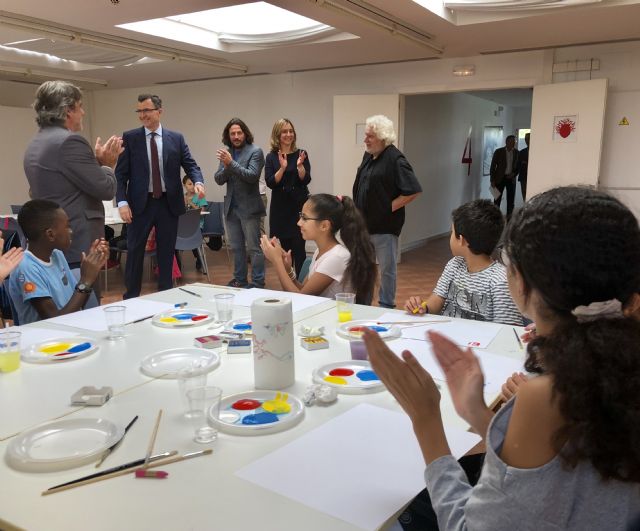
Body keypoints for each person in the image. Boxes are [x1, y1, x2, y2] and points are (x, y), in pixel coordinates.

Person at [364, 186, 640, 530]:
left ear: (522, 281)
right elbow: (556, 470)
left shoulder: (548, 396)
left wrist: (425, 417)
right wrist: (478, 413)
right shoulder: (616, 369)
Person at [24, 80, 122, 271]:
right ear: (68, 110)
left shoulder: (36, 143)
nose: (83, 113)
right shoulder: (70, 142)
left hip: (52, 243)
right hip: (76, 243)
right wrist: (108, 164)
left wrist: (96, 164)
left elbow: (67, 182)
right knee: (85, 297)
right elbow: (106, 189)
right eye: (80, 107)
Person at [116, 94, 205, 298]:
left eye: (146, 110)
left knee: (166, 253)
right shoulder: (130, 138)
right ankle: (131, 297)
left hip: (168, 203)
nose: (142, 115)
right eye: (139, 111)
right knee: (135, 251)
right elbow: (120, 175)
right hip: (140, 204)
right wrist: (121, 201)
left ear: (159, 111)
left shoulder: (176, 138)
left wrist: (198, 181)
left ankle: (164, 296)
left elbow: (190, 165)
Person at [404, 199, 523, 325]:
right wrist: (424, 307)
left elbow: (507, 331)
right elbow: (437, 300)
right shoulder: (454, 265)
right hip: (446, 336)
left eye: (452, 232)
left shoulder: (500, 281)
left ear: (461, 240)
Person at [353, 115, 422, 309]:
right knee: (364, 268)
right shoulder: (369, 155)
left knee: (386, 270)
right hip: (364, 225)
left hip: (384, 227)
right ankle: (362, 304)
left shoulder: (395, 159)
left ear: (383, 137)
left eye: (370, 136)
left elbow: (413, 190)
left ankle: (386, 305)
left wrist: (387, 208)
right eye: (366, 135)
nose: (365, 140)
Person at [260, 194, 376, 303]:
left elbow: (300, 299)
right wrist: (287, 269)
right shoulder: (320, 251)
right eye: (301, 216)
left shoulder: (337, 257)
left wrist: (277, 261)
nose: (299, 223)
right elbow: (303, 290)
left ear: (324, 225)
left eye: (305, 218)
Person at [8, 200, 107, 325]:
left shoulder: (57, 255)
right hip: (44, 339)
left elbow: (78, 302)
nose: (71, 231)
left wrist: (90, 274)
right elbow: (54, 320)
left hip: (70, 330)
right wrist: (85, 280)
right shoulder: (26, 266)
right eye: (67, 226)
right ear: (50, 234)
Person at [214, 118, 265, 288]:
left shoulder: (256, 151)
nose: (236, 136)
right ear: (228, 135)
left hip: (249, 208)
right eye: (232, 133)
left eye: (239, 133)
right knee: (236, 248)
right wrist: (227, 164)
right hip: (231, 208)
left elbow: (252, 176)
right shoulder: (226, 153)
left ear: (245, 133)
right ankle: (240, 279)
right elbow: (219, 179)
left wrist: (230, 163)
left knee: (254, 248)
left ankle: (258, 282)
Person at [265, 118, 311, 278]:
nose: (288, 134)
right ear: (278, 134)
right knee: (284, 252)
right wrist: (282, 168)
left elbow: (306, 179)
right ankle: (289, 286)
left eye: (291, 131)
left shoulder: (301, 153)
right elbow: (270, 182)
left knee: (299, 250)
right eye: (284, 131)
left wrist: (299, 167)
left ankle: (303, 286)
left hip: (299, 207)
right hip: (280, 209)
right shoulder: (271, 157)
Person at [489, 134, 519, 218]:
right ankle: (495, 218)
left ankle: (509, 219)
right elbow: (492, 166)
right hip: (499, 179)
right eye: (512, 141)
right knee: (497, 199)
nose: (513, 143)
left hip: (511, 179)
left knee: (510, 200)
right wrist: (492, 180)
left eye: (514, 142)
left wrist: (514, 174)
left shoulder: (517, 153)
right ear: (507, 142)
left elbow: (518, 167)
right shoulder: (498, 151)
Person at [183, 174, 208, 272]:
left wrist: (190, 203)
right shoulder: (182, 197)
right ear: (184, 185)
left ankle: (199, 259)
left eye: (194, 184)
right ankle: (177, 265)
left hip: (197, 226)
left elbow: (202, 213)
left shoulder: (200, 195)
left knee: (193, 239)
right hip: (184, 227)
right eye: (189, 184)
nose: (192, 186)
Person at [518, 132, 530, 201]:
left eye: (528, 139)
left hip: (534, 176)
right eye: (526, 139)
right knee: (524, 193)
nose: (527, 141)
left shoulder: (537, 151)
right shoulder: (522, 152)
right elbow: (518, 165)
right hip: (523, 177)